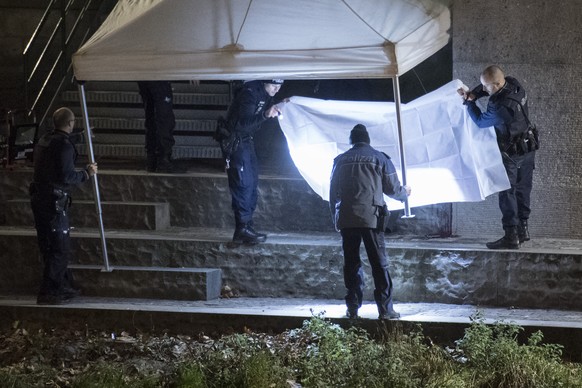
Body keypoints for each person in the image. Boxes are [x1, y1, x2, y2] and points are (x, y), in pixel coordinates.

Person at [329, 124, 411, 320]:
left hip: (347, 219)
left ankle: (353, 309)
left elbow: (333, 193)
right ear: (368, 140)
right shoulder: (379, 158)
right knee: (379, 264)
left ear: (351, 140)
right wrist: (404, 194)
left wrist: (336, 218)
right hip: (372, 219)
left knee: (351, 264)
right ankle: (385, 310)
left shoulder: (340, 161)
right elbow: (392, 188)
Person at [458, 65, 536, 249]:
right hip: (528, 147)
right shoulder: (514, 84)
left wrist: (469, 103)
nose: (484, 89)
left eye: (486, 86)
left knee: (507, 192)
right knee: (523, 188)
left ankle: (511, 236)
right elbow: (490, 88)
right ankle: (523, 231)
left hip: (512, 154)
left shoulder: (501, 106)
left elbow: (480, 121)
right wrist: (475, 94)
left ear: (499, 83)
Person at [29, 107, 98, 305]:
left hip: (40, 199)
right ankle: (48, 291)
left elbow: (61, 142)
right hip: (54, 202)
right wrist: (87, 173)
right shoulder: (63, 146)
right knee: (59, 246)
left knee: (48, 245)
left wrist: (81, 137)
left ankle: (61, 285)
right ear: (71, 123)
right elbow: (67, 175)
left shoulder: (44, 140)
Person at [224, 79, 284, 244]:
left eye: (279, 87)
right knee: (243, 183)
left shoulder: (266, 94)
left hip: (246, 140)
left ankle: (247, 226)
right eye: (274, 86)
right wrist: (265, 115)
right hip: (236, 141)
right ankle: (241, 228)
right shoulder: (250, 93)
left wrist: (281, 105)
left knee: (252, 181)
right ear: (265, 81)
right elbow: (241, 124)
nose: (276, 90)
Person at [137, 81, 180, 173]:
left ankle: (152, 158)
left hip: (145, 76)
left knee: (151, 117)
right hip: (159, 76)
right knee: (164, 117)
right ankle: (163, 158)